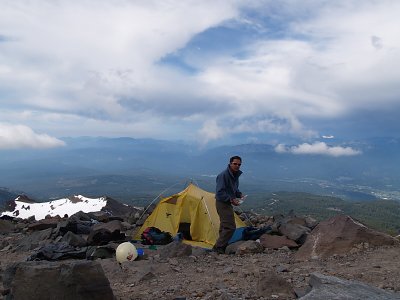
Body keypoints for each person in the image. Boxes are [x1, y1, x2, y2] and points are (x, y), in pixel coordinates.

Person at [213, 155, 244, 254]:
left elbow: (233, 189)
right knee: (230, 227)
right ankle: (218, 247)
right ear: (230, 163)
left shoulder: (234, 175)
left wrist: (239, 194)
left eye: (239, 164)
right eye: (235, 164)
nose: (237, 166)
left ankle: (222, 244)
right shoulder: (224, 175)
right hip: (222, 203)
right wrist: (231, 200)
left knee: (224, 226)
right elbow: (220, 192)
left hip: (227, 203)